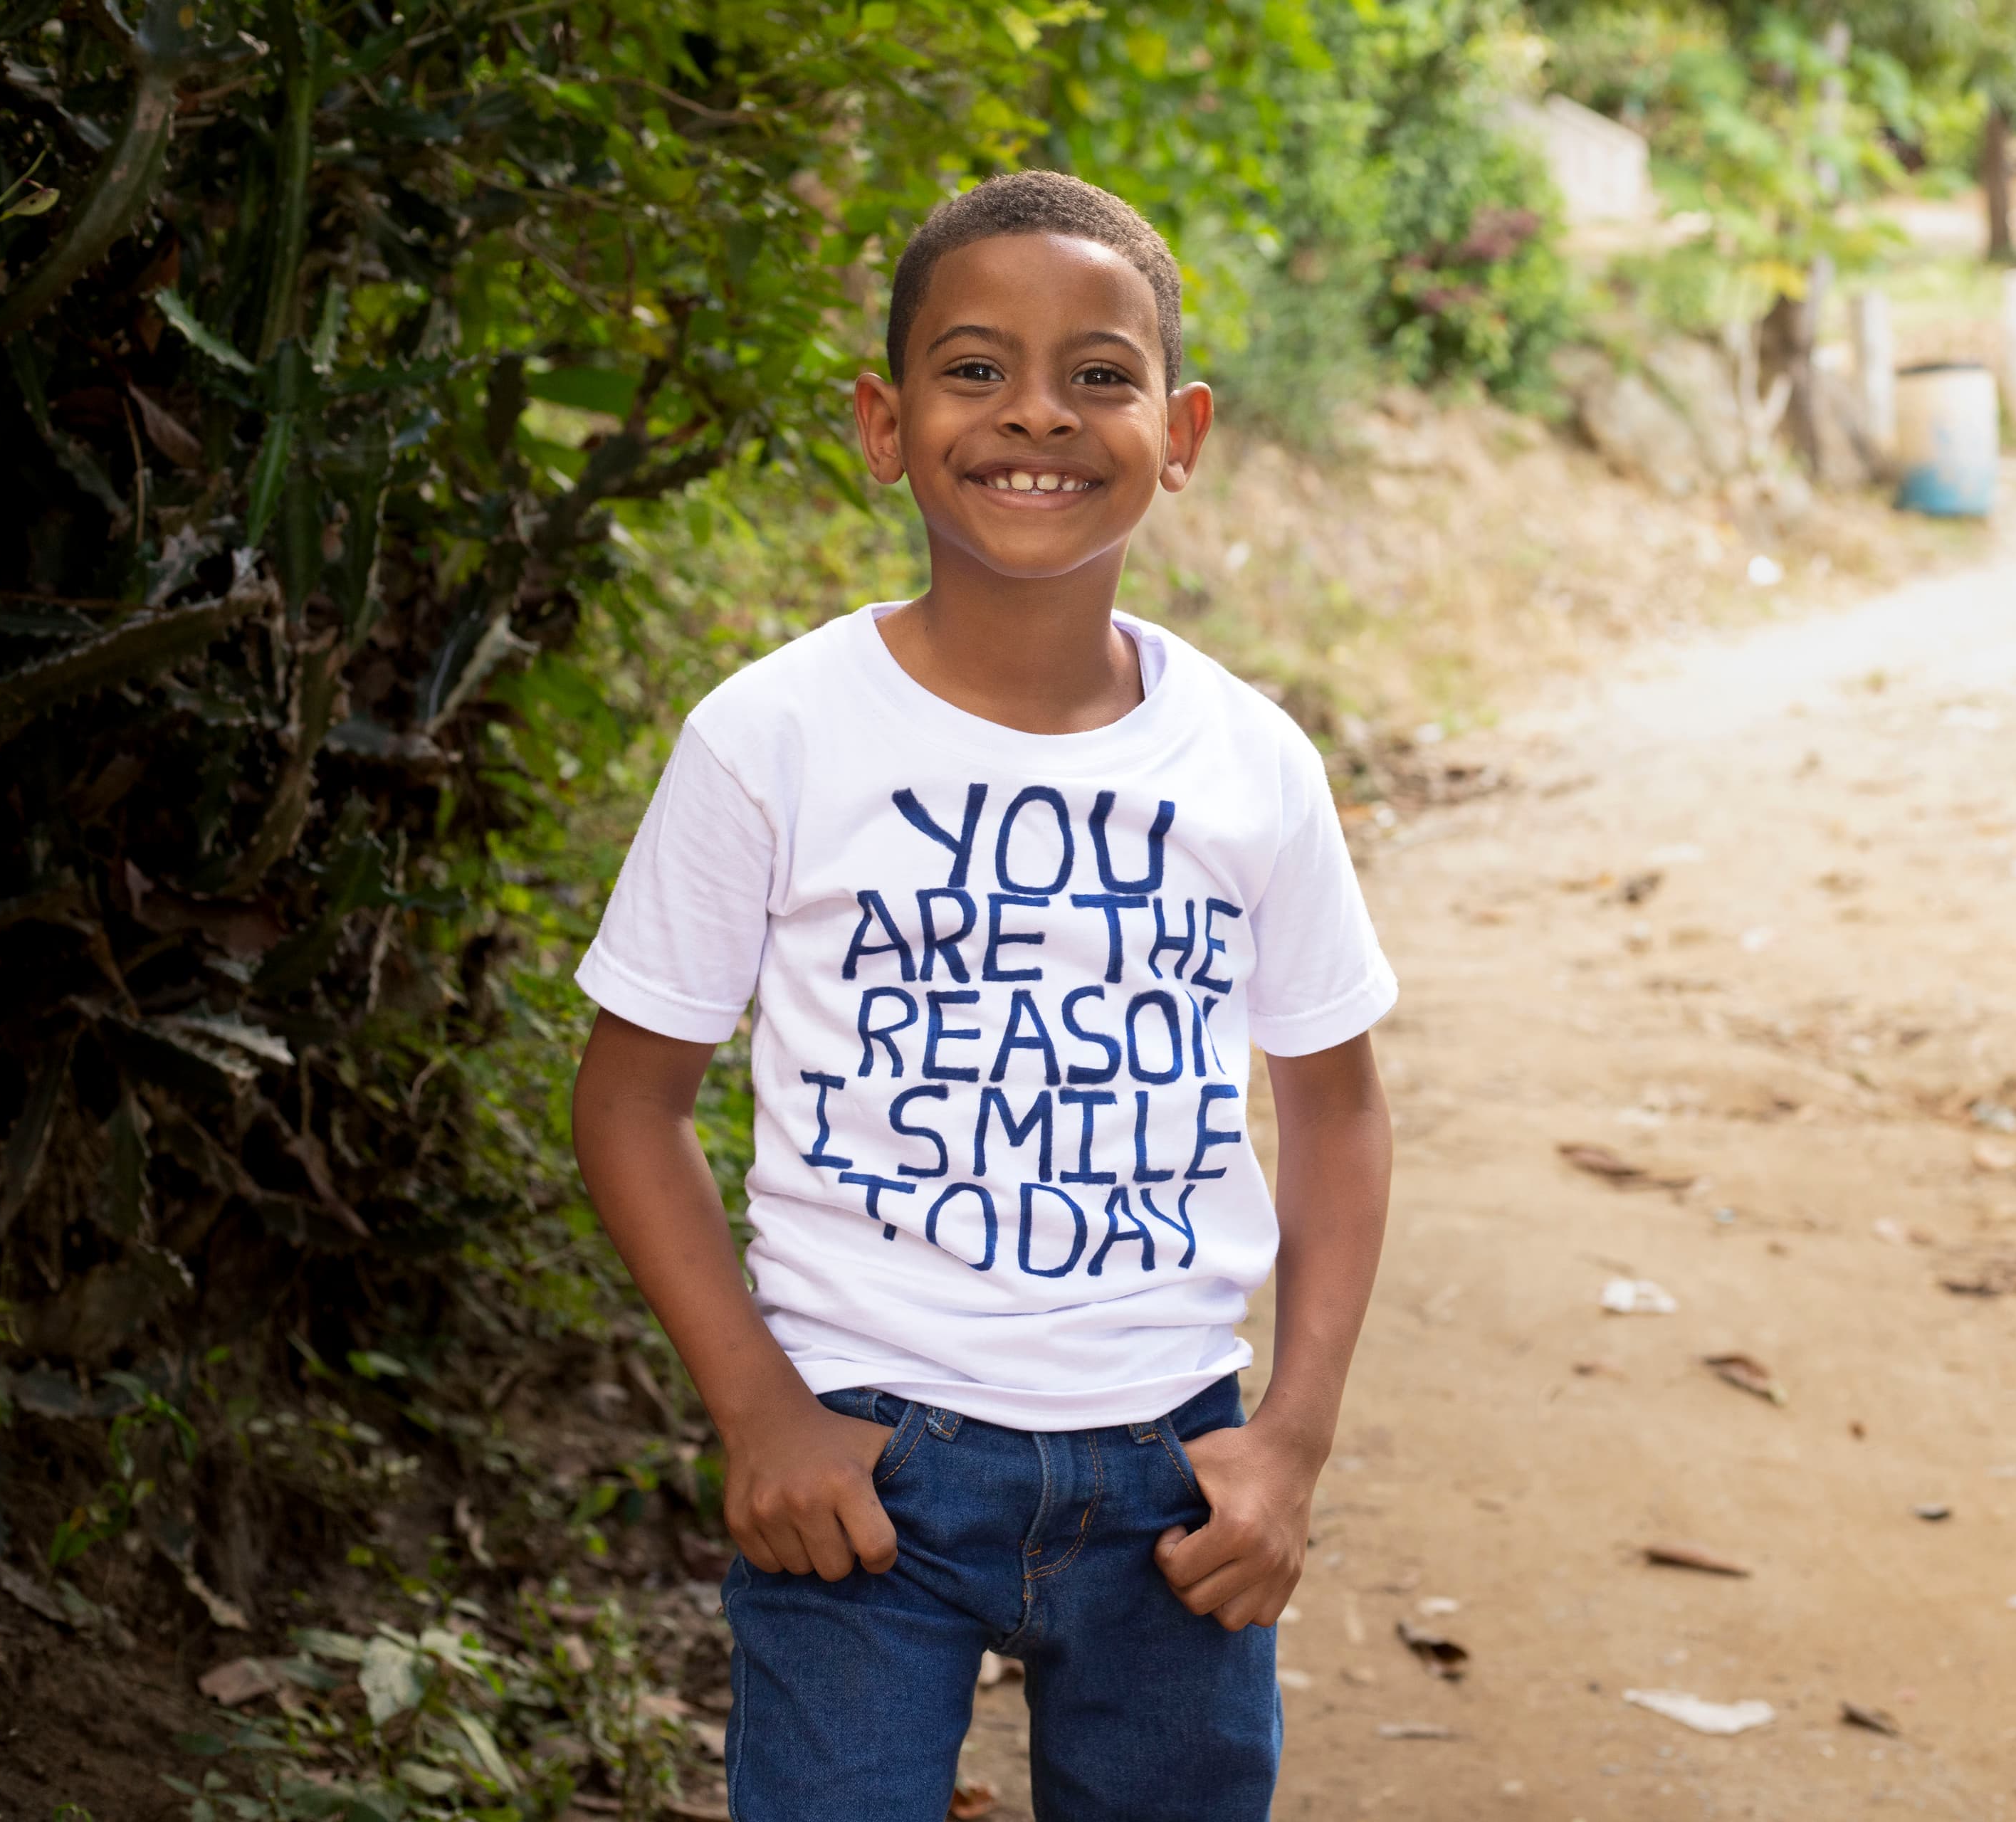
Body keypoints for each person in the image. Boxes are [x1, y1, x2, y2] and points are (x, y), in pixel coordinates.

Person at [568, 170, 1397, 1821]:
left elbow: (1337, 1108)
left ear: (1183, 429)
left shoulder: (1248, 761)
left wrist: (1289, 1437)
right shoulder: (776, 736)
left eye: (1101, 372)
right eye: (973, 368)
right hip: (864, 1473)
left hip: (1173, 1480)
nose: (1038, 412)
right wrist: (761, 1410)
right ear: (885, 421)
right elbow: (628, 1095)